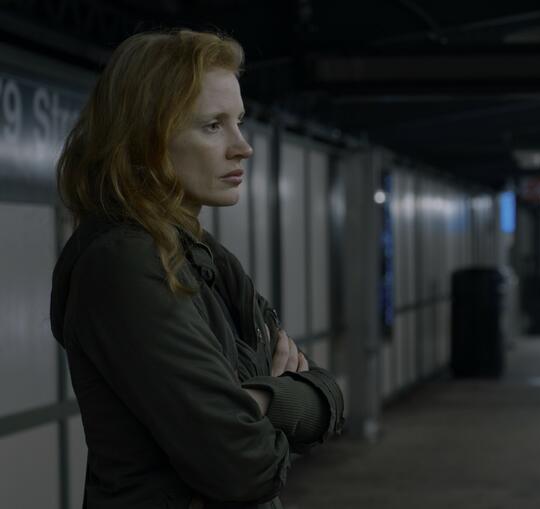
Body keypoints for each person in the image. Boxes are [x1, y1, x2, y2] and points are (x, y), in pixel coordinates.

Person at [50, 29, 344, 508]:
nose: (242, 147)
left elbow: (326, 398)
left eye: (239, 122)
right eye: (212, 126)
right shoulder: (124, 264)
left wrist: (260, 401)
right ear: (147, 137)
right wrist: (278, 395)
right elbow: (246, 466)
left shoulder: (205, 257)